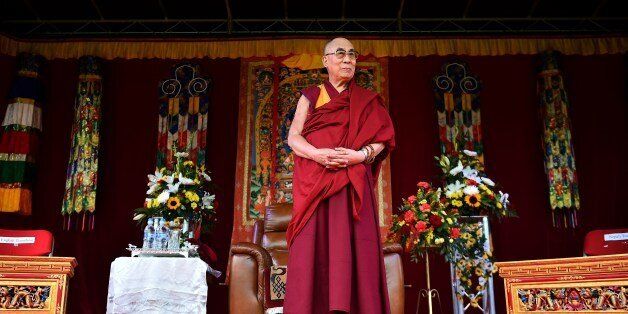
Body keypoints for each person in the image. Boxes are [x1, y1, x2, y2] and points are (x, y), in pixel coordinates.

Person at [284, 37, 396, 314]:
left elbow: (383, 138)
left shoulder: (366, 100)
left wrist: (360, 156)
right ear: (325, 61)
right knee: (313, 246)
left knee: (356, 247)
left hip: (352, 185)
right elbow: (293, 137)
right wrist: (317, 154)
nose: (348, 60)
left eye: (352, 55)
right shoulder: (311, 95)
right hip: (316, 184)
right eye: (341, 54)